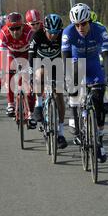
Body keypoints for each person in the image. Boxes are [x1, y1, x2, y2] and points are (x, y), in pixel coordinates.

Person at [61, 3, 108, 163]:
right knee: (73, 88)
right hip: (77, 63)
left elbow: (106, 55)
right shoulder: (68, 32)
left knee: (99, 103)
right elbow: (65, 58)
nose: (80, 27)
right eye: (77, 24)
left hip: (93, 64)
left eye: (83, 23)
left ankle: (99, 140)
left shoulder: (100, 30)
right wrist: (68, 78)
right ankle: (75, 117)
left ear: (89, 21)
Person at [29, 13, 67, 149]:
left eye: (56, 32)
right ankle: (39, 105)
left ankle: (61, 132)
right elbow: (31, 57)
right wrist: (31, 74)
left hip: (57, 63)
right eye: (50, 32)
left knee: (59, 96)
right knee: (40, 73)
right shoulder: (37, 36)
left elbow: (68, 55)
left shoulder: (63, 35)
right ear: (44, 29)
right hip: (40, 62)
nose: (53, 35)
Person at [0, 12, 36, 128]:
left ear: (23, 26)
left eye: (18, 28)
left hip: (26, 53)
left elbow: (34, 55)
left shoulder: (29, 32)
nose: (15, 32)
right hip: (11, 53)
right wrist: (1, 77)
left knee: (29, 81)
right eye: (12, 29)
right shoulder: (3, 33)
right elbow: (2, 57)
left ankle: (31, 113)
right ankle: (11, 103)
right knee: (9, 72)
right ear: (8, 28)